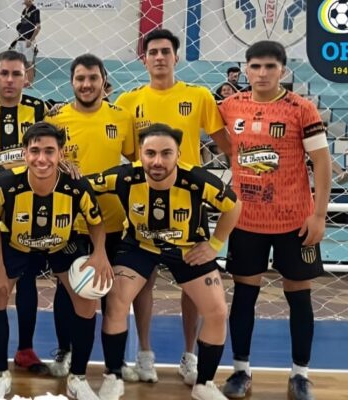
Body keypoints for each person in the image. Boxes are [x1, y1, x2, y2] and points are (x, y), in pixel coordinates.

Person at [114, 28, 231, 385]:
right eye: (153, 52)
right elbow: (127, 152)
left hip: (189, 205)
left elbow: (226, 145)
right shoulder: (128, 101)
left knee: (192, 285)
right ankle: (144, 354)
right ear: (144, 59)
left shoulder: (198, 96)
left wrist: (234, 185)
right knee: (142, 280)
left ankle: (189, 356)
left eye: (166, 51)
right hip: (144, 205)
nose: (160, 57)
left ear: (176, 57)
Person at [94, 123, 241, 400]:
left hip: (187, 248)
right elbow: (81, 186)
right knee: (116, 300)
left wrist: (214, 245)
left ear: (178, 154)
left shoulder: (196, 179)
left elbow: (233, 206)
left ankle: (204, 384)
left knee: (217, 311)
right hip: (140, 246)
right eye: (150, 153)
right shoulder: (124, 177)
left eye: (166, 153)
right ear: (140, 154)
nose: (157, 161)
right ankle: (113, 376)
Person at [219, 40, 330, 400]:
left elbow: (323, 163)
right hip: (246, 220)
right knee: (244, 296)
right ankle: (241, 371)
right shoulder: (230, 105)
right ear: (246, 69)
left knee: (299, 297)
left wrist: (319, 215)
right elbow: (220, 138)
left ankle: (300, 375)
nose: (262, 73)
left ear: (282, 69)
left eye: (270, 66)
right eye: (256, 66)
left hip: (295, 221)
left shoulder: (302, 109)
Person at [0, 121, 113, 400]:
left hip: (61, 244)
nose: (42, 159)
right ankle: (1, 374)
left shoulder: (76, 185)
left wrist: (99, 253)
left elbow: (96, 222)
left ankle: (77, 377)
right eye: (35, 151)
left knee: (87, 300)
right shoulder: (5, 184)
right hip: (17, 244)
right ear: (25, 153)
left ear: (61, 154)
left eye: (49, 151)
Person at [44, 53, 134, 378]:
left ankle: (114, 362)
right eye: (80, 78)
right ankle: (64, 351)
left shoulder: (121, 117)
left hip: (110, 221)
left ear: (104, 81)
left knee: (111, 292)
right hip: (68, 222)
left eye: (93, 78)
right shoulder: (56, 119)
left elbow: (136, 163)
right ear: (71, 82)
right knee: (66, 290)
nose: (86, 84)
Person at [0, 50, 48, 374]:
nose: (10, 80)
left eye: (16, 74)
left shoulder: (39, 109)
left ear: (26, 77)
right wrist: (4, 171)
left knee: (27, 280)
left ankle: (25, 348)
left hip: (27, 208)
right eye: (4, 73)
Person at [13, 0, 41, 86]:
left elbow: (38, 27)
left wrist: (31, 39)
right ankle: (22, 81)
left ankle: (30, 84)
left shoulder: (35, 10)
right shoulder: (24, 11)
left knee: (29, 63)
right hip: (21, 39)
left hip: (28, 40)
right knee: (19, 62)